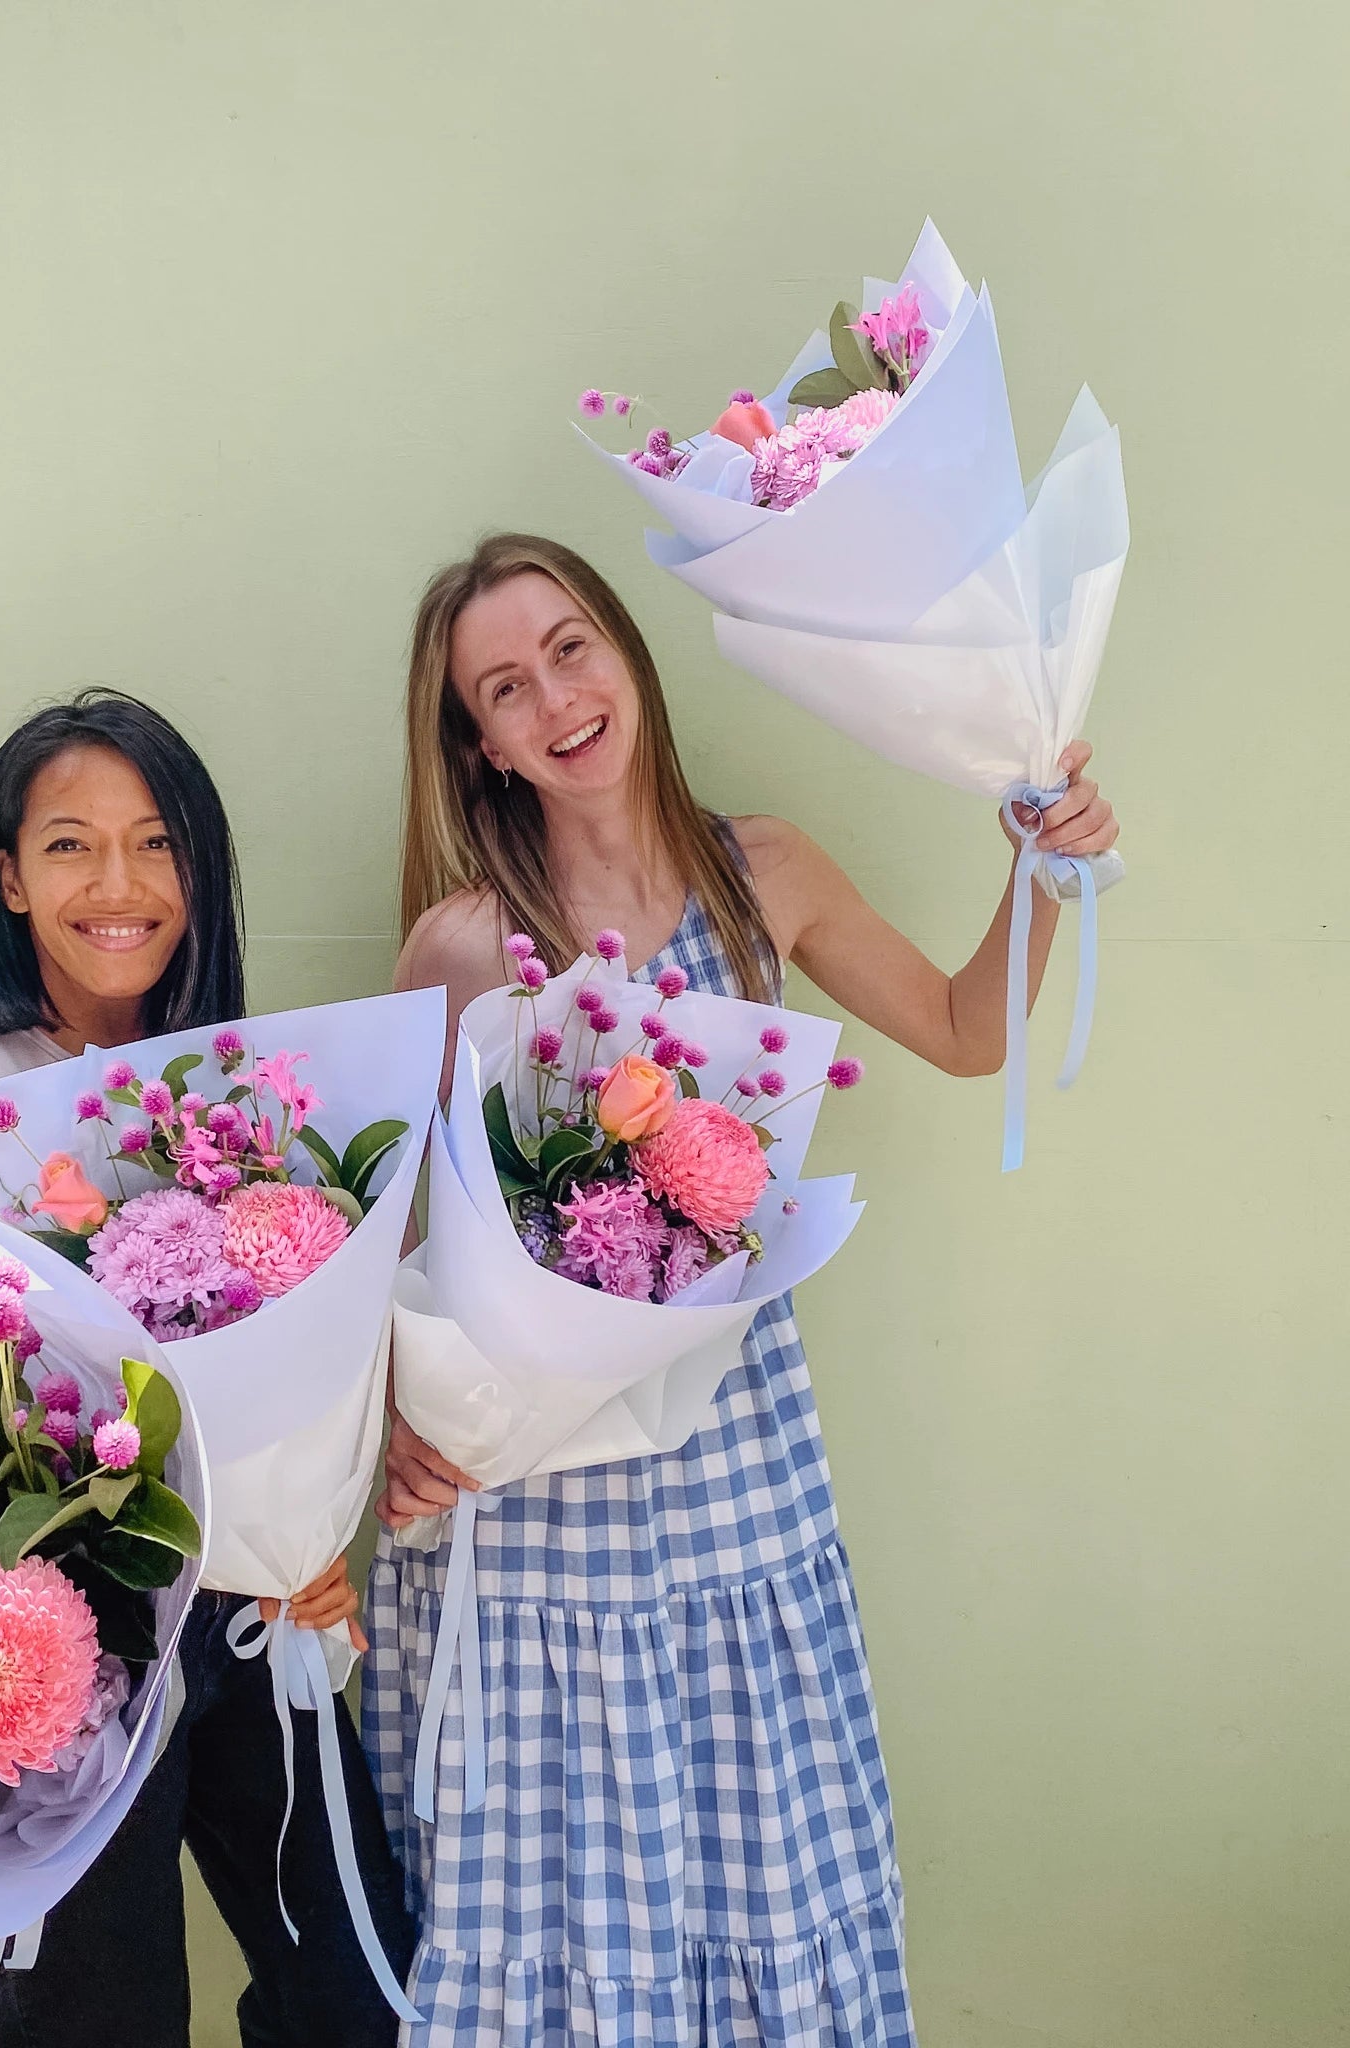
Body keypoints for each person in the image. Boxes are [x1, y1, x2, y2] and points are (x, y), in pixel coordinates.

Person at [362, 535, 1120, 2045]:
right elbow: (380, 1247)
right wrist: (390, 1424)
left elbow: (972, 1033)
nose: (557, 700)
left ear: (627, 652)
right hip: (535, 1523)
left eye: (571, 648)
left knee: (760, 1889)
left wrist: (1047, 862)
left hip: (738, 1479)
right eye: (505, 688)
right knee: (554, 1924)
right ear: (480, 744)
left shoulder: (759, 874)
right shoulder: (461, 947)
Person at [0, 688, 414, 2048]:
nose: (119, 885)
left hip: (251, 1620)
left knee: (362, 1993)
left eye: (155, 842)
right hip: (79, 1649)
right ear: (8, 878)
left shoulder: (239, 1093)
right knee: (98, 2017)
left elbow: (294, 1356)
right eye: (71, 845)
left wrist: (311, 1531)